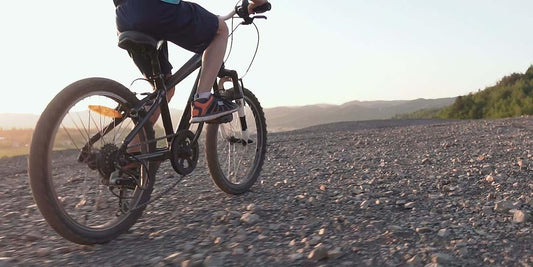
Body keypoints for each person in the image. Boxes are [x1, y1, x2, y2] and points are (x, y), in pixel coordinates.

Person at [115, 0, 269, 123]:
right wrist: (259, 3)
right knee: (220, 30)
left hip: (124, 17)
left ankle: (131, 153)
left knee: (165, 89)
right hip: (158, 9)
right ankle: (203, 100)